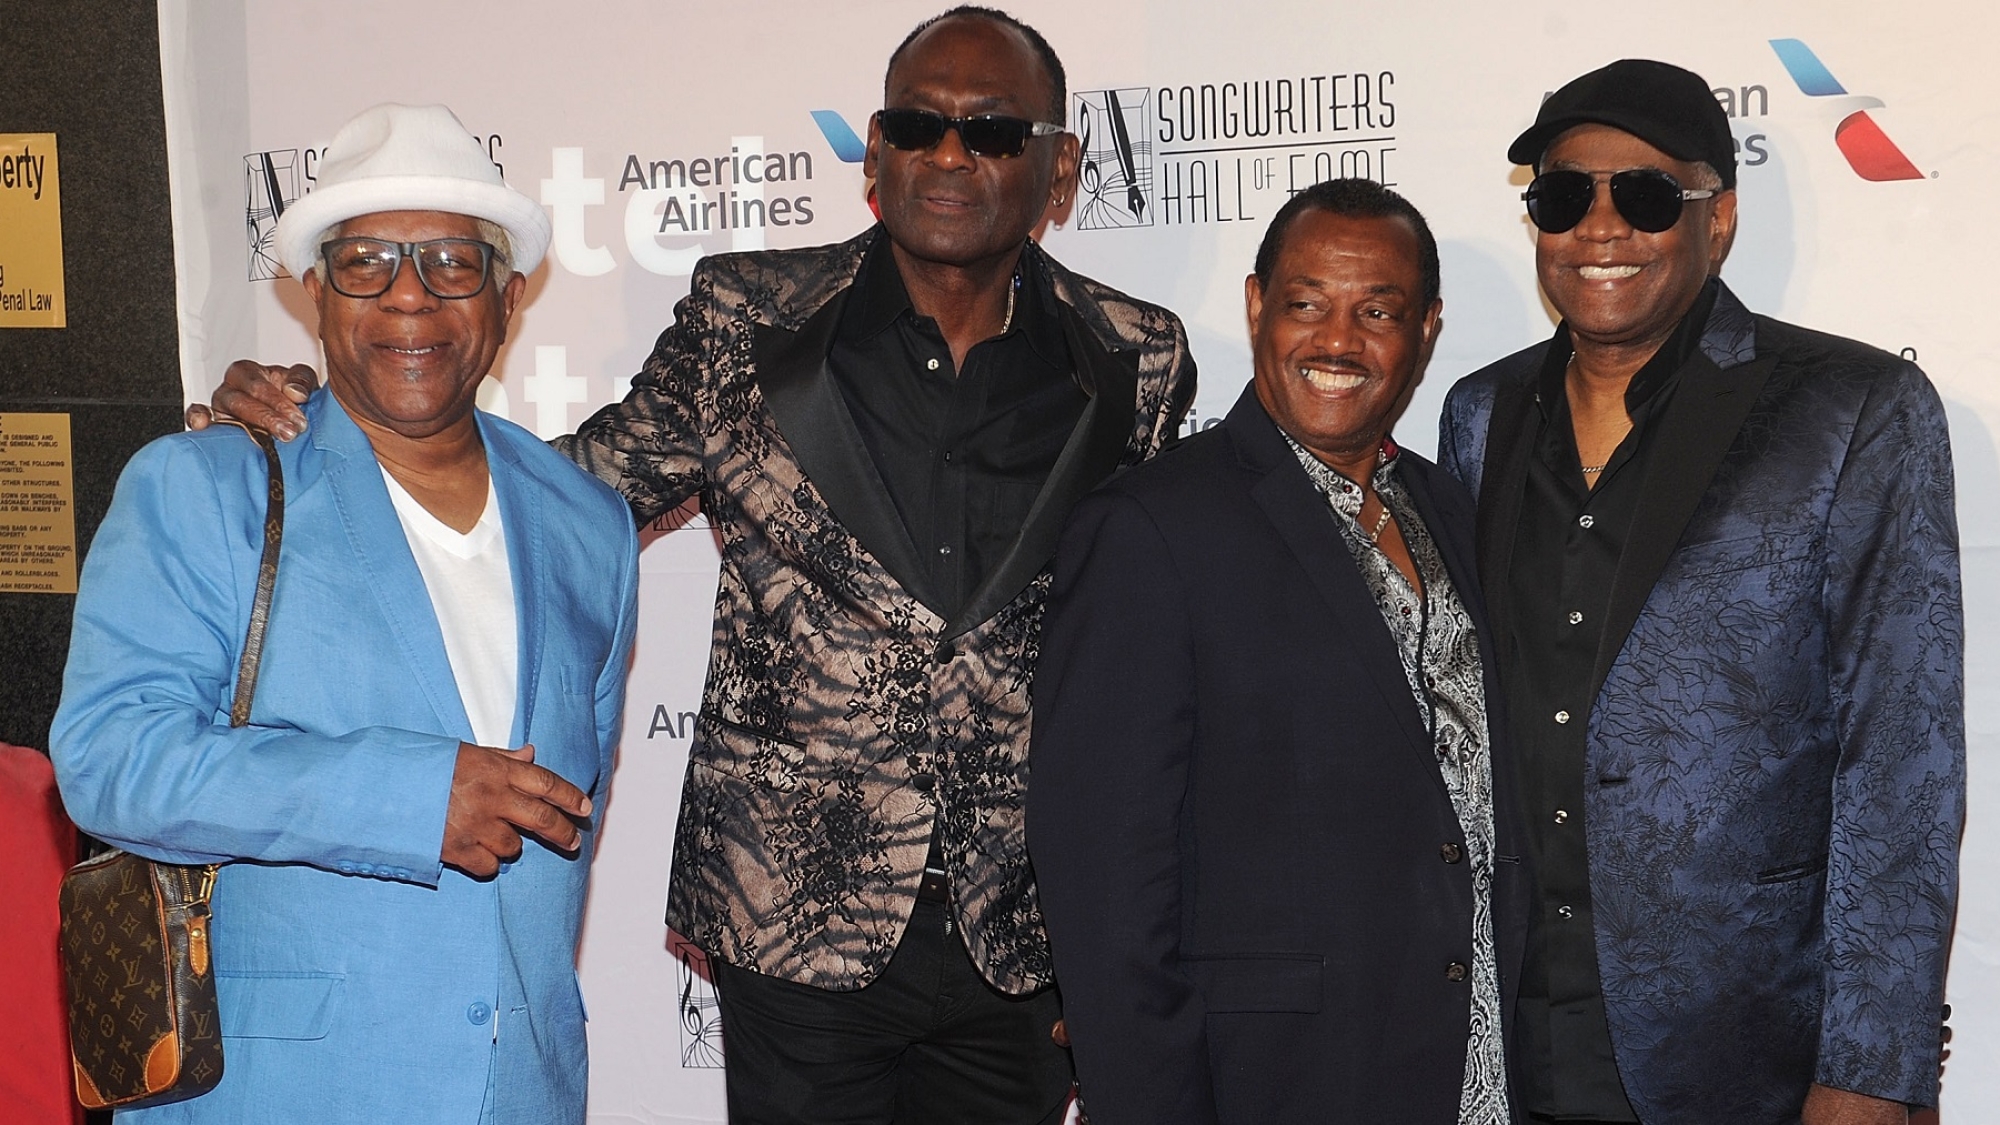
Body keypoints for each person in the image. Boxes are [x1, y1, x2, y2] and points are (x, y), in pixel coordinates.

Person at [197, 9, 1196, 1122]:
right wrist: (321, 431)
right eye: (918, 126)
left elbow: (1155, 643)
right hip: (791, 921)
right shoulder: (747, 319)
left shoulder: (1135, 357)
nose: (951, 155)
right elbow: (563, 499)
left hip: (1023, 926)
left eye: (993, 131)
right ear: (874, 153)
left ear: (1058, 168)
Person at [53, 103, 640, 1123]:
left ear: (504, 299)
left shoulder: (589, 524)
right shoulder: (207, 488)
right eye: (366, 260)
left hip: (520, 1094)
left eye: (452, 261)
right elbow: (109, 760)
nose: (409, 293)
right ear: (317, 297)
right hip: (281, 1094)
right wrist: (409, 798)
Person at [1438, 59, 1962, 1125]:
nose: (1597, 228)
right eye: (1558, 195)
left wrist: (1867, 1068)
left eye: (1640, 196)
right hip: (1508, 1038)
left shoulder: (1850, 408)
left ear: (1714, 219)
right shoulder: (1477, 415)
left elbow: (1899, 757)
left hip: (1744, 1048)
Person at [1029, 179, 1526, 1125]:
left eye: (1376, 311)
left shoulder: (1452, 509)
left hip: (1473, 1069)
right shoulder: (1150, 528)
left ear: (1427, 329)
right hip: (1274, 1077)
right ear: (1258, 305)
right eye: (1306, 304)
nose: (1337, 341)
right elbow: (1102, 885)